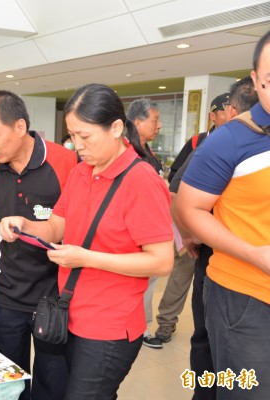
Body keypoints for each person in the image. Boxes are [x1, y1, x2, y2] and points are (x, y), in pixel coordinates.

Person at [0, 83, 174, 399]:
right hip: (71, 314)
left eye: (85, 136)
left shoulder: (141, 180)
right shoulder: (82, 172)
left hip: (110, 326)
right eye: (72, 136)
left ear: (117, 128)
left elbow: (161, 261)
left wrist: (86, 258)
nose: (76, 145)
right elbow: (55, 226)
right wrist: (25, 224)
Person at [0, 90, 77, 400]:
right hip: (8, 297)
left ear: (20, 127)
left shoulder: (66, 163)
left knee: (53, 387)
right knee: (8, 386)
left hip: (58, 300)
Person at [175, 31, 270, 400]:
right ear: (255, 78)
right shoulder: (230, 139)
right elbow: (186, 207)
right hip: (244, 294)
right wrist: (255, 254)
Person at [152, 93, 231, 347]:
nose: (231, 114)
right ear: (213, 115)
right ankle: (166, 324)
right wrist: (186, 230)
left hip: (224, 231)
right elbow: (175, 182)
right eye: (226, 109)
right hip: (194, 226)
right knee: (183, 274)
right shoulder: (199, 142)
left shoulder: (241, 143)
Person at [126, 97, 166, 349]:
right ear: (137, 122)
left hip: (151, 230)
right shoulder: (126, 153)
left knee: (149, 281)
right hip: (132, 233)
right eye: (155, 120)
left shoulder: (147, 153)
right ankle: (140, 326)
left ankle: (142, 325)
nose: (159, 126)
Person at [167, 93, 229, 184]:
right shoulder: (196, 141)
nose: (232, 116)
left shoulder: (244, 143)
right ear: (212, 116)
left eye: (237, 111)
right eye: (226, 111)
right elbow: (173, 176)